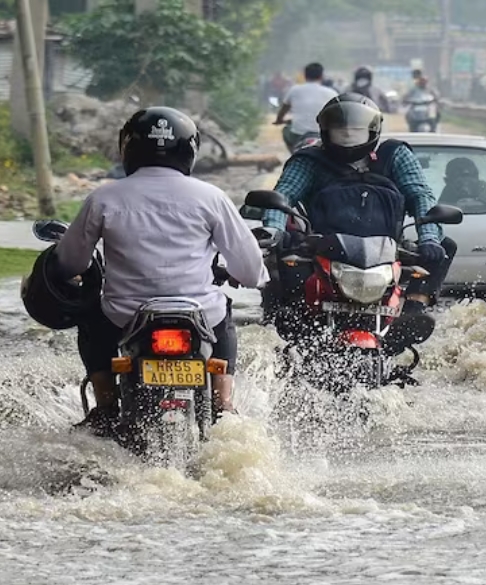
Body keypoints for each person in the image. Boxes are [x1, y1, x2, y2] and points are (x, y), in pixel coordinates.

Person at [45, 107, 268, 434]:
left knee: (91, 317)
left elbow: (72, 262)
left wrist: (68, 272)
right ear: (190, 150)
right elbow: (249, 271)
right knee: (224, 311)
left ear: (128, 148)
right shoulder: (211, 197)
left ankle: (105, 406)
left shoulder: (105, 197)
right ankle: (223, 405)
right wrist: (253, 276)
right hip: (199, 316)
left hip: (124, 315)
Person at [260, 93, 454, 347]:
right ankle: (294, 317)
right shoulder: (309, 160)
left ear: (372, 131)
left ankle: (414, 308)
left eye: (355, 132)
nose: (348, 138)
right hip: (323, 249)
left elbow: (420, 194)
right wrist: (272, 229)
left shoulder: (395, 155)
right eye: (341, 132)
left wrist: (429, 237)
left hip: (387, 251)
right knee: (280, 253)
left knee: (445, 246)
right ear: (326, 131)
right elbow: (283, 196)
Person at [274, 62, 339, 151]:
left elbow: (284, 109)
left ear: (304, 75)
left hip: (298, 134)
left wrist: (279, 120)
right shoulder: (332, 93)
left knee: (286, 130)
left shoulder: (294, 90)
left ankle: (294, 154)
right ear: (321, 76)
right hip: (322, 133)